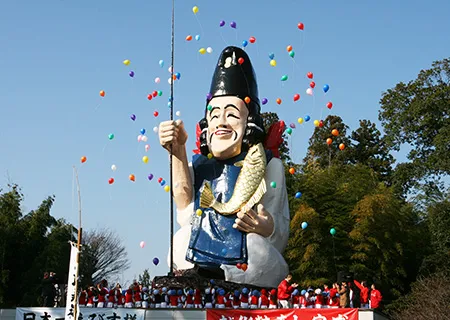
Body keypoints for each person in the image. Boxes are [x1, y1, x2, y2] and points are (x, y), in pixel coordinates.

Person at [159, 46, 290, 288]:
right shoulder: (199, 163)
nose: (221, 122)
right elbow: (185, 212)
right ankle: (201, 273)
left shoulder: (268, 163)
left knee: (259, 252)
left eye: (231, 115)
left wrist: (266, 226)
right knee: (179, 242)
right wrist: (177, 152)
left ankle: (223, 276)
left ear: (248, 121)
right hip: (200, 241)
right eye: (214, 114)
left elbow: (278, 226)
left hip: (244, 251)